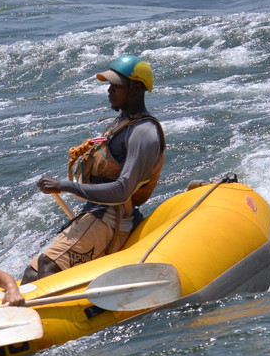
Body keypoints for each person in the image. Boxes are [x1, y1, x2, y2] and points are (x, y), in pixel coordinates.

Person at [23, 56, 165, 282]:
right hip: (95, 213)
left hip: (110, 219)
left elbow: (123, 191)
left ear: (137, 88)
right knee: (31, 273)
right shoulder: (122, 123)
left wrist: (64, 186)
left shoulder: (144, 132)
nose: (109, 90)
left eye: (116, 85)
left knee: (46, 266)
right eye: (109, 84)